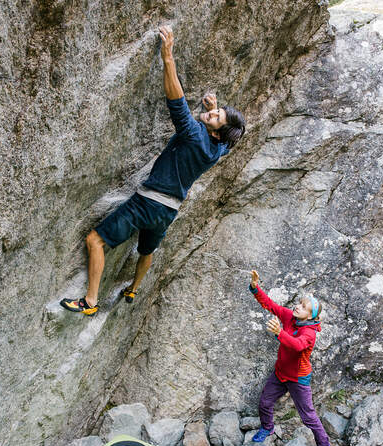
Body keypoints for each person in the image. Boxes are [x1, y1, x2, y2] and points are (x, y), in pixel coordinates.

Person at [60, 26, 245, 316]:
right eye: (215, 111)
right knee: (147, 250)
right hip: (168, 212)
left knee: (94, 240)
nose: (210, 112)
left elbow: (177, 101)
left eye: (215, 116)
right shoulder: (217, 150)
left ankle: (90, 302)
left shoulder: (195, 135)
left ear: (217, 131)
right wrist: (216, 110)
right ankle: (133, 288)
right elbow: (223, 136)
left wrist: (168, 56)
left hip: (148, 202)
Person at [249, 269, 332, 446]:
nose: (298, 306)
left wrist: (279, 333)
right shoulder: (289, 317)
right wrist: (255, 288)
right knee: (265, 402)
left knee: (308, 416)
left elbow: (297, 346)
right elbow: (270, 305)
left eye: (303, 307)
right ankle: (267, 427)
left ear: (310, 315)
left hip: (298, 378)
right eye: (299, 303)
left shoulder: (309, 333)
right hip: (280, 373)